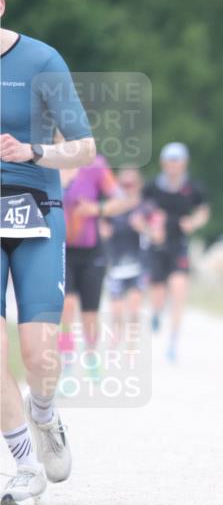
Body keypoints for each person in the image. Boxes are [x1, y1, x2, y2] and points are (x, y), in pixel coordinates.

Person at [0, 0, 96, 505]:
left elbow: (84, 147)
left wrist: (34, 151)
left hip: (36, 210)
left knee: (38, 354)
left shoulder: (40, 60)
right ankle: (24, 466)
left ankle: (43, 412)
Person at [60, 156, 132, 380]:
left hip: (92, 252)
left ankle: (91, 356)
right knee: (67, 307)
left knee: (90, 314)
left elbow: (121, 200)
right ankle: (66, 361)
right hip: (59, 251)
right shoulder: (45, 162)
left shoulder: (95, 166)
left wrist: (97, 208)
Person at [142, 142, 210, 361]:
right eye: (170, 160)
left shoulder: (192, 187)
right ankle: (157, 312)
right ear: (163, 162)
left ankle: (173, 342)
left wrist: (193, 222)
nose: (173, 165)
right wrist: (151, 230)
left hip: (178, 244)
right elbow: (138, 215)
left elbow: (203, 211)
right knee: (159, 294)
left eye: (177, 160)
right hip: (156, 246)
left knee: (179, 289)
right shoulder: (152, 187)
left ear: (184, 163)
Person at [98, 167, 145, 343]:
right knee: (117, 310)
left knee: (134, 308)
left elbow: (158, 235)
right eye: (123, 184)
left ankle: (132, 343)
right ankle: (115, 342)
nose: (127, 188)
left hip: (138, 265)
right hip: (115, 265)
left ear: (138, 186)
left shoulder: (145, 207)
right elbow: (99, 228)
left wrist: (144, 228)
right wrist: (102, 231)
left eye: (131, 184)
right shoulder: (111, 207)